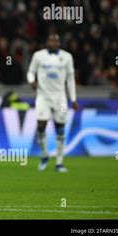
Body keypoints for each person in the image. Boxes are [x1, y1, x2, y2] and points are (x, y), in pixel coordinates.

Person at [27, 34, 78, 172]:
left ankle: (59, 163)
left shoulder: (67, 57)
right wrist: (32, 81)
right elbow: (30, 72)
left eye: (56, 40)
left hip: (61, 99)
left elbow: (71, 79)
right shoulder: (38, 56)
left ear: (59, 43)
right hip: (43, 97)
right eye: (51, 40)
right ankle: (44, 155)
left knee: (60, 127)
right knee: (41, 125)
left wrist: (73, 99)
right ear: (47, 42)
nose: (54, 43)